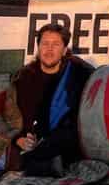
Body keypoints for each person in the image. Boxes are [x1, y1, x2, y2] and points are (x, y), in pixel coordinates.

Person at [7, 23, 95, 176]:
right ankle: (44, 162)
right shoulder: (24, 77)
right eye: (45, 44)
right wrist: (19, 139)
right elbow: (10, 115)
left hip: (70, 135)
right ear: (38, 47)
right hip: (34, 139)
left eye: (56, 44)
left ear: (64, 50)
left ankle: (45, 162)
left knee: (67, 136)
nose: (49, 49)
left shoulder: (80, 72)